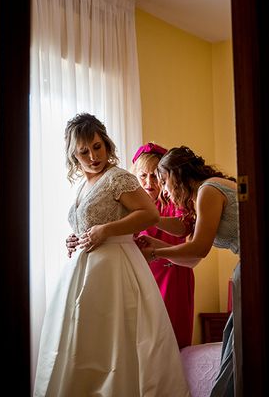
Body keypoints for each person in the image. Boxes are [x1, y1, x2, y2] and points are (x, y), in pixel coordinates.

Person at [33, 114, 190, 397]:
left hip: (115, 267)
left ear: (106, 144)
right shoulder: (83, 186)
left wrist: (106, 230)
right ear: (73, 155)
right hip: (85, 271)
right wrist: (75, 239)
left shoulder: (117, 178)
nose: (93, 156)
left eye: (97, 147)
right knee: (84, 343)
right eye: (84, 151)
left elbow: (149, 214)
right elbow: (89, 225)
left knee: (117, 342)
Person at [138, 146, 240, 397]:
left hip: (255, 265)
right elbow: (190, 255)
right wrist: (154, 241)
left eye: (162, 180)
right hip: (245, 267)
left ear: (176, 176)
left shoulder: (208, 191)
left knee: (238, 348)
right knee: (234, 342)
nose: (162, 189)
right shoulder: (202, 196)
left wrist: (155, 253)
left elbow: (199, 249)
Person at [131, 142, 196, 349]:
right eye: (143, 176)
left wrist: (151, 217)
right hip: (140, 275)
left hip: (172, 274)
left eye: (154, 176)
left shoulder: (175, 199)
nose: (149, 182)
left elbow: (183, 228)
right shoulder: (130, 202)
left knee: (170, 341)